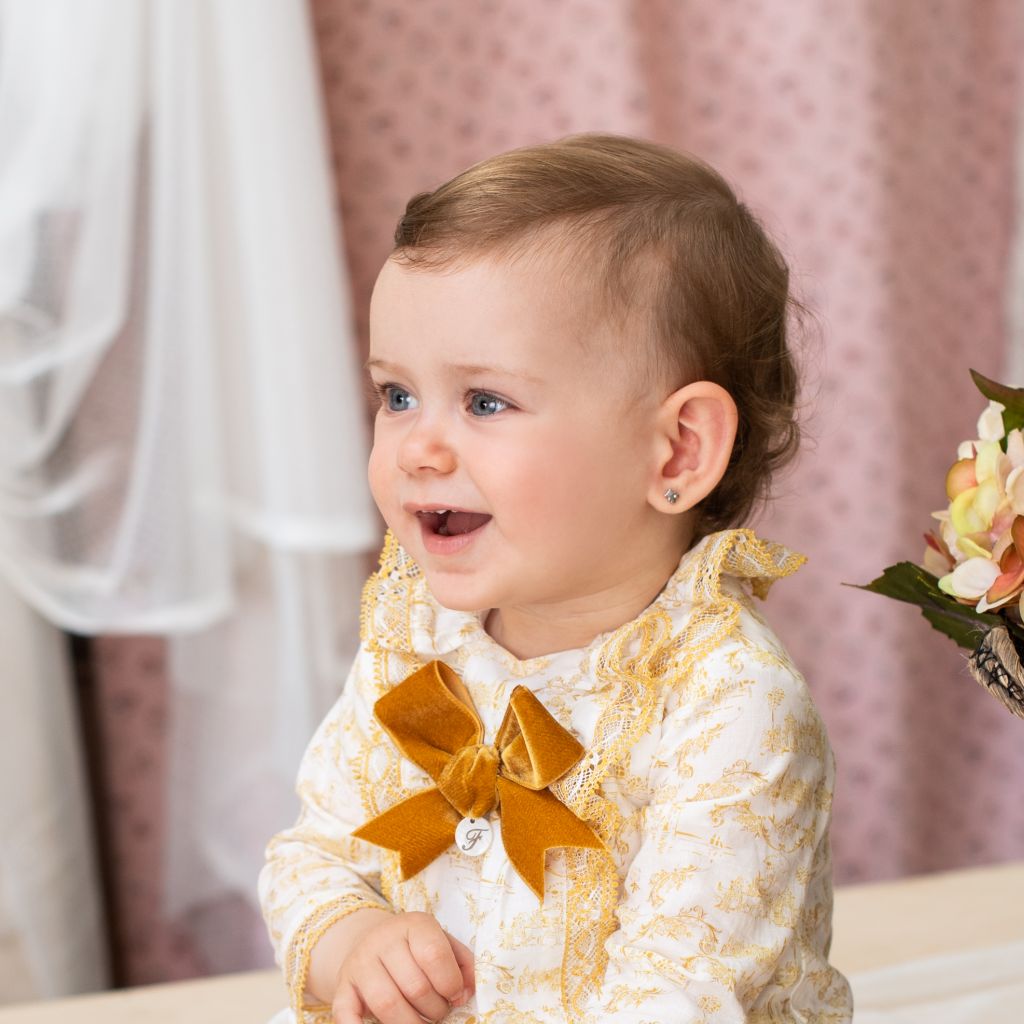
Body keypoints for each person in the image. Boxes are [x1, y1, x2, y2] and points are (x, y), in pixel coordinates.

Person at [258, 133, 853, 1024]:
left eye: (485, 401)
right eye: (397, 396)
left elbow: (677, 997)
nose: (417, 449)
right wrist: (356, 941)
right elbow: (312, 854)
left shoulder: (729, 703)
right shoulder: (417, 639)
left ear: (677, 450)